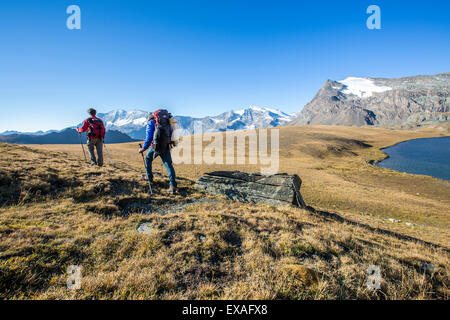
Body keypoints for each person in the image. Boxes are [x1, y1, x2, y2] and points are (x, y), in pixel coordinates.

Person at [138, 110, 177, 194]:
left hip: (155, 147)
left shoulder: (151, 122)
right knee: (169, 165)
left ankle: (149, 177)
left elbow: (148, 138)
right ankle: (173, 186)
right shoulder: (167, 121)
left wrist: (143, 149)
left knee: (148, 159)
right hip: (165, 146)